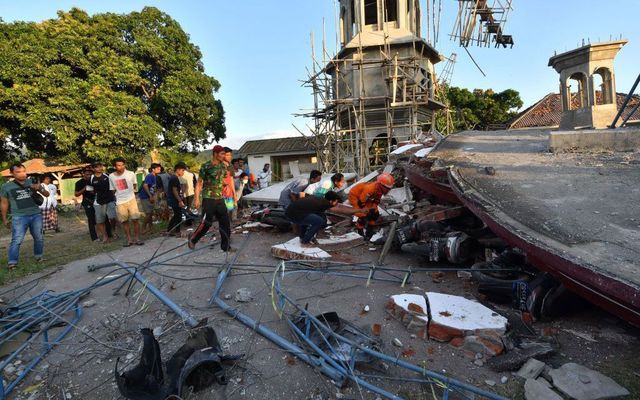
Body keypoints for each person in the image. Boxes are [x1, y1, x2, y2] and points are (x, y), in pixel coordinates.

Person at [1, 163, 49, 269]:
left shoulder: (32, 181)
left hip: (35, 214)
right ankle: (12, 262)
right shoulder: (6, 187)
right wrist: (4, 219)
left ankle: (39, 257)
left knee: (39, 237)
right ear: (11, 173)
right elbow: (4, 203)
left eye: (23, 171)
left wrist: (38, 188)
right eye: (18, 172)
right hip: (19, 217)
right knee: (17, 240)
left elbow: (46, 194)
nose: (22, 174)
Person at [189, 145, 233, 252]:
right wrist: (197, 199)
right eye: (222, 154)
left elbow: (221, 180)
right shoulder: (206, 166)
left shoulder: (223, 166)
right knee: (207, 223)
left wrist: (224, 185)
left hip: (220, 198)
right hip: (208, 198)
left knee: (225, 223)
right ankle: (193, 239)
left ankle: (225, 246)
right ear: (215, 154)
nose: (223, 156)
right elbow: (199, 183)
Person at [285, 191, 365, 248]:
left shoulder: (320, 200)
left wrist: (358, 210)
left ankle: (303, 237)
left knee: (316, 217)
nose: (336, 204)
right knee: (319, 221)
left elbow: (340, 207)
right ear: (331, 201)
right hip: (294, 214)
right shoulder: (325, 203)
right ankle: (305, 242)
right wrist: (360, 210)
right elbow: (341, 210)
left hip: (291, 212)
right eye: (336, 202)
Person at [348, 172, 395, 239]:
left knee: (375, 214)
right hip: (355, 196)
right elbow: (361, 202)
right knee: (362, 215)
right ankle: (360, 233)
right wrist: (366, 211)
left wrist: (373, 209)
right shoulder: (370, 188)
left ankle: (369, 232)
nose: (388, 190)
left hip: (366, 199)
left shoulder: (379, 189)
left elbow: (377, 200)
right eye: (387, 188)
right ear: (381, 185)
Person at [109, 157, 143, 246]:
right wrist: (118, 196)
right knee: (124, 222)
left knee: (135, 220)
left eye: (122, 165)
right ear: (115, 166)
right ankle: (129, 240)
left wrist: (134, 194)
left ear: (125, 165)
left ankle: (137, 239)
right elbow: (112, 190)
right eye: (118, 165)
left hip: (131, 199)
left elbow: (135, 185)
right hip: (120, 202)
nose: (121, 167)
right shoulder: (111, 176)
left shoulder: (131, 174)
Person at [91, 162, 116, 243]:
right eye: (97, 167)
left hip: (110, 199)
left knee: (112, 217)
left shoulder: (107, 176)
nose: (99, 168)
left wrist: (113, 196)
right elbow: (91, 190)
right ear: (93, 169)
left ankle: (113, 230)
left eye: (100, 166)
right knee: (100, 221)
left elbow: (113, 187)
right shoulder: (91, 178)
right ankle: (105, 236)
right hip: (98, 201)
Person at [74, 167, 98, 241]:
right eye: (87, 174)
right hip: (87, 201)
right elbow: (76, 194)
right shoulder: (79, 182)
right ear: (83, 174)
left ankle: (107, 233)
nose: (89, 176)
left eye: (90, 174)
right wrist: (84, 189)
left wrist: (94, 191)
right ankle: (94, 237)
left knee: (102, 217)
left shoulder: (94, 180)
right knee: (91, 219)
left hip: (97, 200)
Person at [139, 163, 161, 234]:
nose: (159, 170)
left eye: (159, 168)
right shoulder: (150, 176)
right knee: (148, 213)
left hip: (150, 196)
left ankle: (151, 228)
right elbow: (145, 186)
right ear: (153, 170)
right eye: (158, 169)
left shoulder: (155, 176)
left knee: (151, 213)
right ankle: (143, 228)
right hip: (145, 196)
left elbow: (154, 188)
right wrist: (150, 196)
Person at [167, 163, 187, 236]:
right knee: (178, 216)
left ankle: (170, 230)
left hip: (174, 199)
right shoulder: (174, 178)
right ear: (178, 170)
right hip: (174, 200)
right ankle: (176, 231)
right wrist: (180, 201)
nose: (183, 172)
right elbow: (174, 190)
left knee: (176, 215)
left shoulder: (174, 178)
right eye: (182, 170)